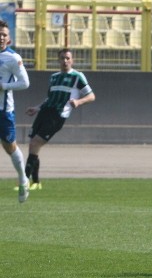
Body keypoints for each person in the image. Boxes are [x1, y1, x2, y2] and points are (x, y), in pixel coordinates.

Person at [24, 49, 95, 190]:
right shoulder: (54, 77)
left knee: (35, 143)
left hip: (58, 115)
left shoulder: (77, 76)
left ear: (72, 60)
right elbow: (50, 98)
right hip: (44, 112)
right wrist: (37, 108)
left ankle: (24, 181)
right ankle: (36, 182)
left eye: (68, 58)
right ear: (58, 60)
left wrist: (79, 102)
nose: (65, 61)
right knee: (33, 145)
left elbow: (92, 96)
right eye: (62, 58)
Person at [0, 20, 30, 203]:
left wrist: (3, 85)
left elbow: (25, 83)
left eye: (4, 34)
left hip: (4, 111)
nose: (1, 37)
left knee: (9, 147)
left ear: (9, 38)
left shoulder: (12, 58)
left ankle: (22, 179)